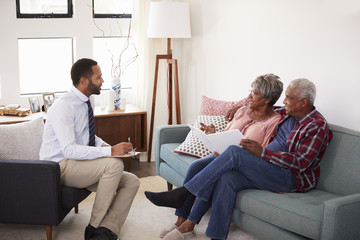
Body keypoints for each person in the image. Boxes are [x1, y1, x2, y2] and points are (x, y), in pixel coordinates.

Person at [145, 78, 333, 240]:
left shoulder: (316, 126)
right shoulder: (287, 112)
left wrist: (263, 153)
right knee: (227, 178)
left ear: (304, 102)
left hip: (290, 177)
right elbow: (265, 104)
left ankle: (183, 194)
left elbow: (301, 163)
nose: (285, 101)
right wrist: (238, 106)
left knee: (235, 152)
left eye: (289, 98)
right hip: (268, 166)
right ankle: (214, 234)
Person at [152, 73, 284, 239]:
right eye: (250, 91)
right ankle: (181, 220)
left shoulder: (274, 122)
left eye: (254, 93)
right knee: (195, 166)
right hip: (222, 156)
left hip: (244, 165)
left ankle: (189, 224)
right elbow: (229, 134)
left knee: (217, 176)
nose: (249, 96)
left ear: (267, 99)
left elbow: (262, 150)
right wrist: (214, 134)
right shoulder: (242, 111)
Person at [39, 58, 140, 240]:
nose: (102, 81)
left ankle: (107, 230)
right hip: (57, 166)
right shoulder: (63, 107)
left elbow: (86, 135)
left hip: (77, 163)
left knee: (131, 181)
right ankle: (93, 228)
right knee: (114, 165)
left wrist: (104, 145)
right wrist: (111, 152)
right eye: (99, 77)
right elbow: (69, 150)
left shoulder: (88, 101)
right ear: (84, 80)